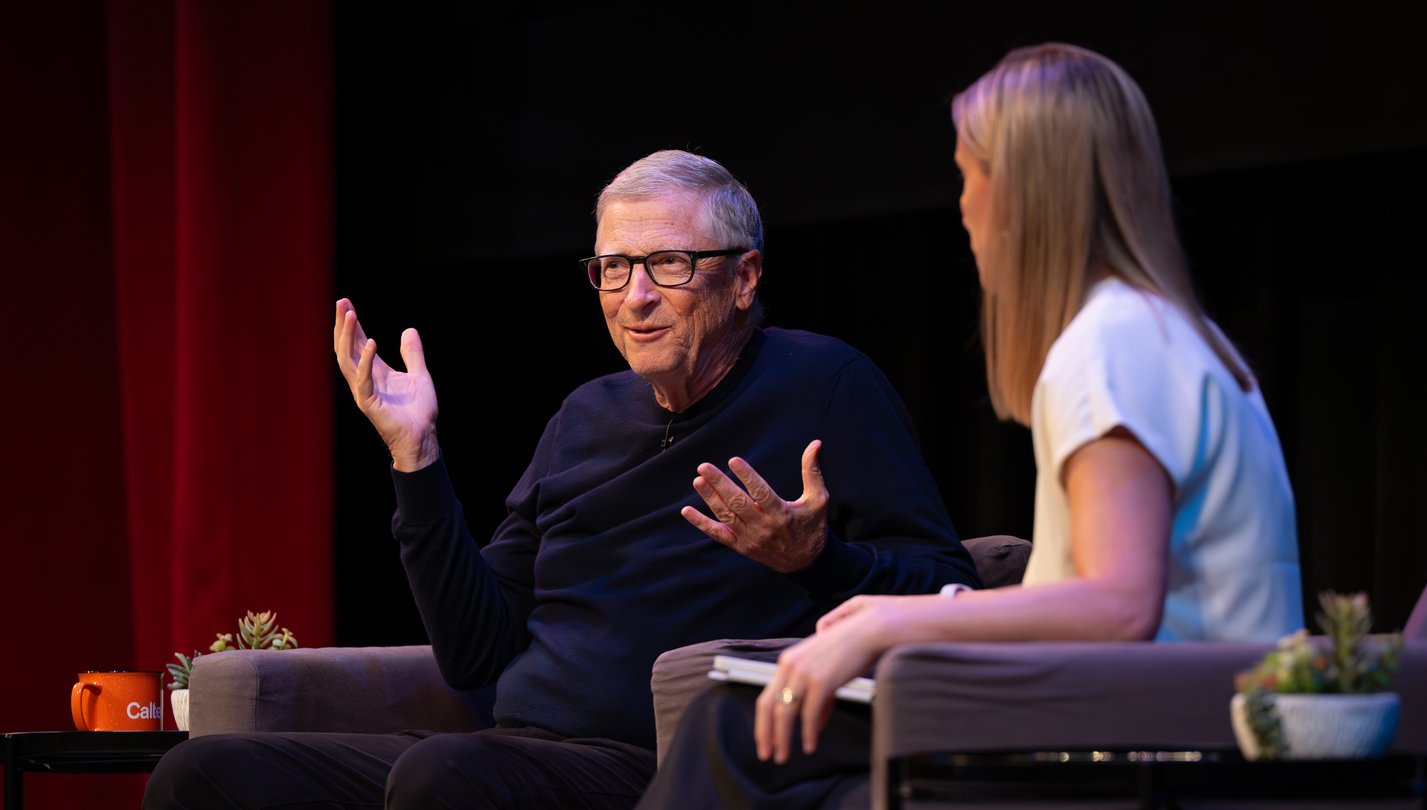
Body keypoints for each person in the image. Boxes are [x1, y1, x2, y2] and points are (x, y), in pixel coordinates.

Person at [142, 149, 979, 809]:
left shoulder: (826, 385)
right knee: (203, 774)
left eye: (669, 264)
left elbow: (951, 588)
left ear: (745, 277)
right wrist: (415, 457)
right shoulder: (585, 415)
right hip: (514, 749)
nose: (634, 297)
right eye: (613, 268)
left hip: (660, 767)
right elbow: (475, 651)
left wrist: (817, 561)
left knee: (444, 777)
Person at [637, 42, 1305, 808]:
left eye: (969, 177)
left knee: (734, 725)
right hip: (1184, 715)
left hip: (1160, 737)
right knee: (781, 743)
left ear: (1023, 191)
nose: (962, 207)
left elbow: (1119, 604)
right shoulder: (1173, 333)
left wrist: (896, 625)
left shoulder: (1111, 344)